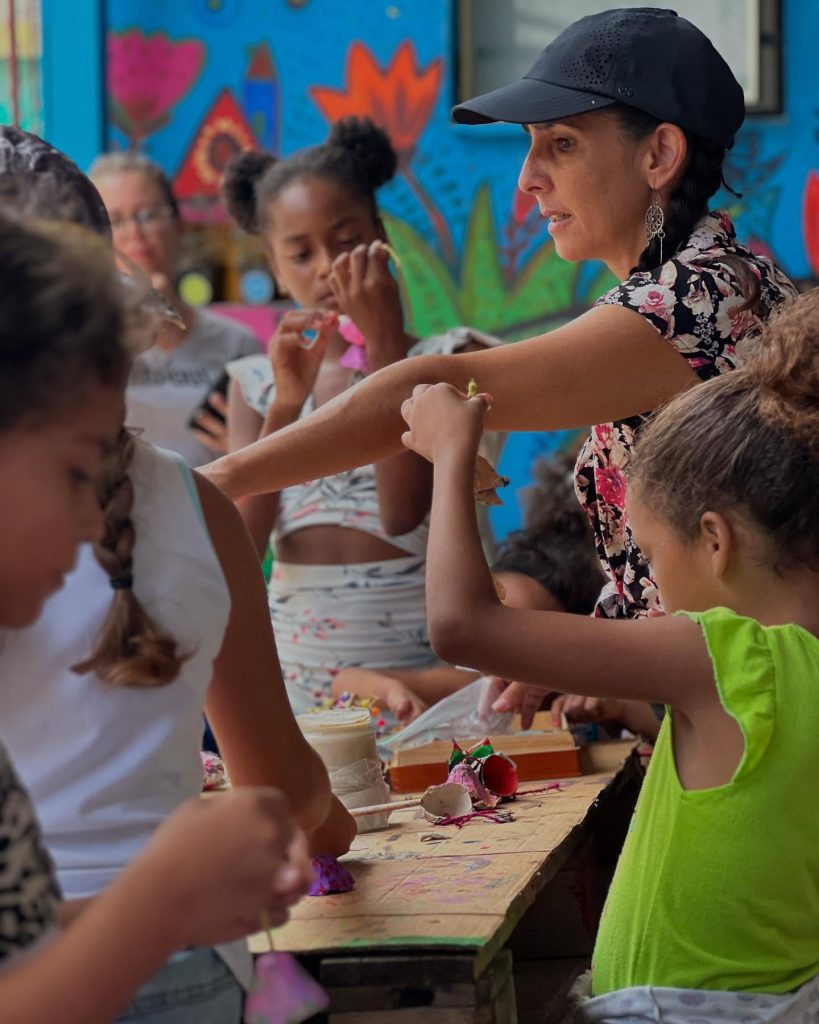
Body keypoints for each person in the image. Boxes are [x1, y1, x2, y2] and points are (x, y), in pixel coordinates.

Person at [203, 10, 796, 684]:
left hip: (750, 711)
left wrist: (218, 480)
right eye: (530, 144)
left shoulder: (689, 301)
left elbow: (427, 388)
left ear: (658, 154)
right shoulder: (714, 280)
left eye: (562, 145)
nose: (528, 178)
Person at [0, 128, 354, 1022]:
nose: (90, 525)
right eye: (70, 472)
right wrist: (158, 902)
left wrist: (162, 899)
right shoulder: (185, 506)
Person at [399, 287, 819, 1019]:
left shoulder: (720, 654)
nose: (650, 585)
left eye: (651, 557)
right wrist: (634, 708)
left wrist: (448, 456)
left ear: (715, 542)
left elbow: (461, 625)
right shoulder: (779, 670)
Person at [223, 117, 500, 714]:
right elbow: (241, 543)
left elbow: (401, 514)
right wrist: (288, 404)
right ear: (274, 269)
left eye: (346, 240)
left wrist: (383, 349)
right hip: (301, 670)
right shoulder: (255, 382)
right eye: (300, 253)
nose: (326, 266)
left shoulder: (451, 360)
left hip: (430, 666)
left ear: (381, 236)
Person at [329, 450, 607, 724]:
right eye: (491, 629)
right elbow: (345, 683)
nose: (502, 658)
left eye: (523, 639)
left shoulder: (596, 692)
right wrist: (392, 693)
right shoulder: (481, 689)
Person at [90, 151, 260, 466]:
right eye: (115, 221)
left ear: (178, 226)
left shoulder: (237, 343)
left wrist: (244, 453)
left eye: (146, 215)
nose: (135, 234)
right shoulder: (83, 344)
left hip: (211, 508)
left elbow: (264, 461)